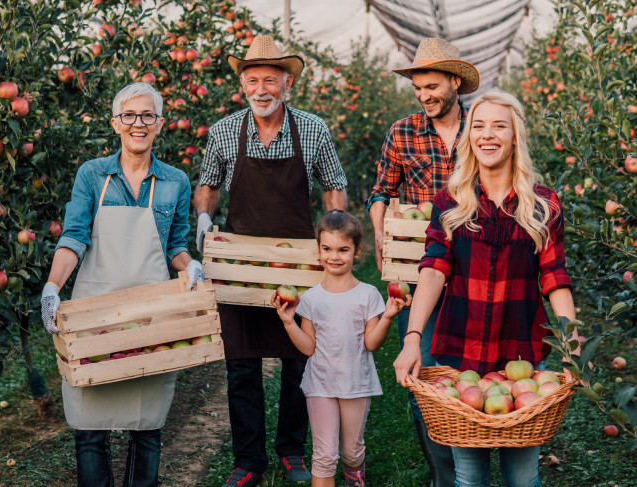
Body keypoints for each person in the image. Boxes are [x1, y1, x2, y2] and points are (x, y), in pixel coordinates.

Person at [393, 90, 576, 487]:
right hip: (462, 355)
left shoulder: (541, 204)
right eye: (478, 125)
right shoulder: (452, 201)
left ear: (515, 137)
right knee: (470, 477)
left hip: (523, 355)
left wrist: (572, 346)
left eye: (499, 125)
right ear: (468, 137)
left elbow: (554, 277)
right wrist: (412, 338)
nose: (487, 134)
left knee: (523, 479)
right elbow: (433, 269)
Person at [194, 35, 348, 487]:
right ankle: (248, 461)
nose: (261, 89)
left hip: (296, 264)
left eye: (270, 80)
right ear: (243, 85)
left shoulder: (313, 129)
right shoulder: (224, 131)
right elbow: (209, 183)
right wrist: (205, 219)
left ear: (287, 84)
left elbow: (333, 183)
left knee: (299, 361)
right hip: (239, 265)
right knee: (241, 363)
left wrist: (333, 230)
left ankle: (291, 450)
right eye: (252, 80)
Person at [39, 82, 203, 487]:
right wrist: (52, 286)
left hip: (150, 315)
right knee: (90, 425)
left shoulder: (175, 182)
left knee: (146, 425)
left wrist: (191, 266)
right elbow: (74, 237)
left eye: (147, 115)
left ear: (160, 124)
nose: (138, 123)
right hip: (96, 312)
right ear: (116, 123)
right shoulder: (93, 175)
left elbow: (175, 245)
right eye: (129, 115)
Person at [366, 37, 480, 487]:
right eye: (418, 88)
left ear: (455, 81)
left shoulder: (484, 127)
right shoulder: (403, 132)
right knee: (422, 371)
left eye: (432, 86)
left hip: (477, 271)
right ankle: (443, 477)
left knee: (474, 372)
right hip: (419, 271)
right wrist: (380, 229)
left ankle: (473, 464)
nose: (425, 96)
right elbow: (382, 191)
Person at [272, 210, 410, 487]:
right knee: (323, 455)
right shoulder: (310, 298)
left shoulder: (368, 295)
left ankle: (354, 472)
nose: (334, 256)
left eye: (343, 249)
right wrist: (289, 323)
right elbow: (309, 347)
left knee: (351, 450)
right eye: (327, 249)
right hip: (320, 383)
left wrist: (387, 317)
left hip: (356, 384)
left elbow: (372, 343)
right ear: (319, 250)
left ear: (357, 251)